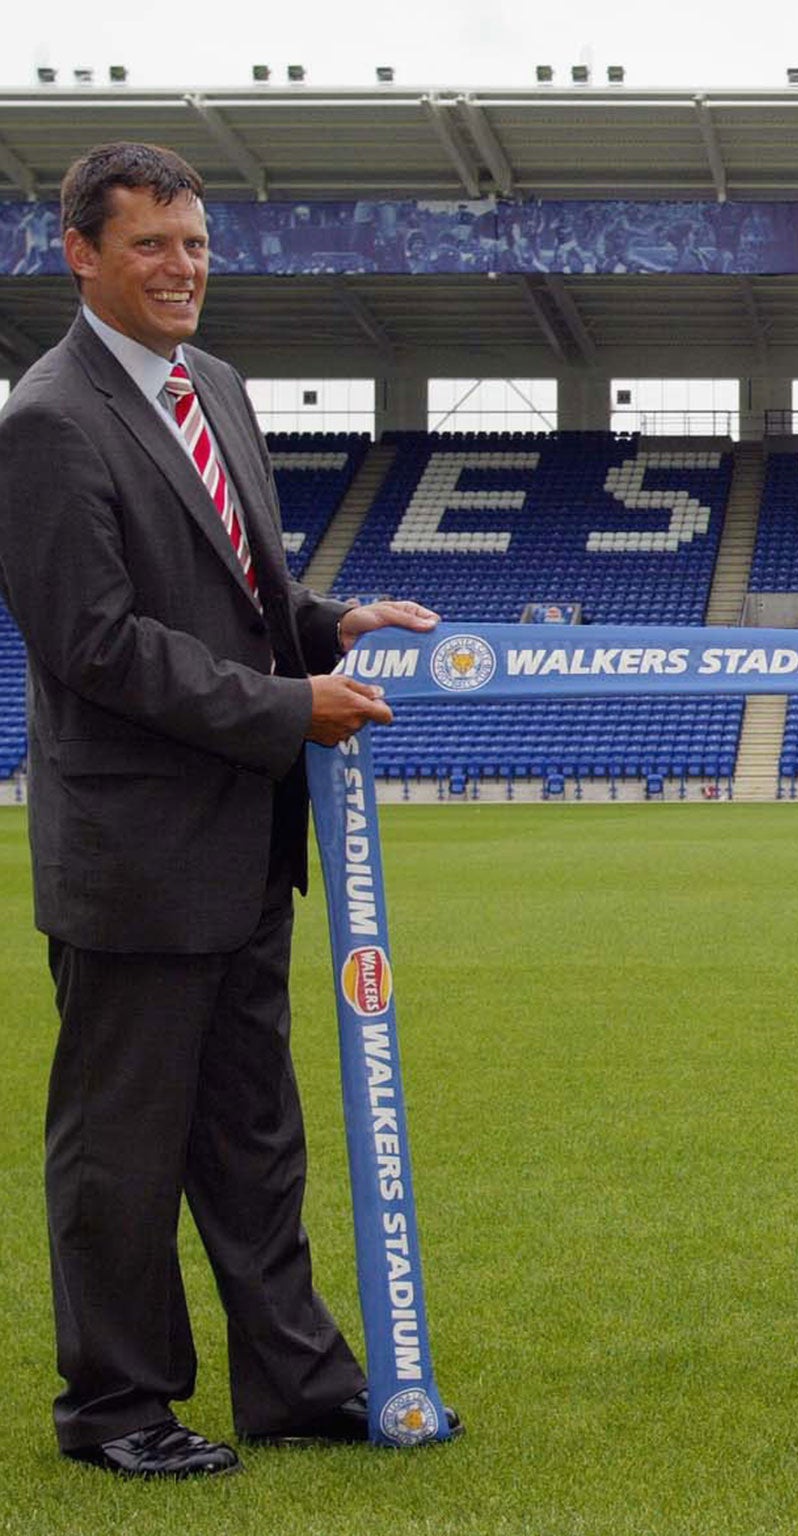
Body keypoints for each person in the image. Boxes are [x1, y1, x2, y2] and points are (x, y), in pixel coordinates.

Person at [0, 142, 447, 1479]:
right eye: (151, 245)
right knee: (120, 1149)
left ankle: (295, 1383)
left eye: (193, 243)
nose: (183, 267)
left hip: (245, 843)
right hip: (136, 858)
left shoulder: (218, 387)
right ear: (80, 254)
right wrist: (285, 709)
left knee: (256, 1135)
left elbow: (250, 596)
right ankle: (117, 1407)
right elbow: (95, 644)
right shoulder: (46, 420)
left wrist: (333, 622)